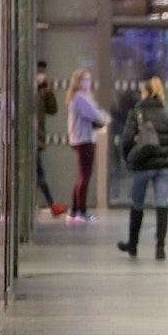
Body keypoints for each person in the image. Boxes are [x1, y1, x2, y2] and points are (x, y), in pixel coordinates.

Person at [116, 77, 168, 260]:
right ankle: (160, 248)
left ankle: (133, 245)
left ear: (147, 92)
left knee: (137, 203)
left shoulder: (137, 113)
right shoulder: (167, 115)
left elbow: (127, 139)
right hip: (163, 166)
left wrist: (128, 158)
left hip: (142, 165)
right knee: (161, 203)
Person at [66, 68, 110, 223]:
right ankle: (81, 210)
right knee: (85, 174)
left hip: (81, 139)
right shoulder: (79, 97)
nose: (88, 82)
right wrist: (105, 119)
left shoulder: (78, 97)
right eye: (85, 79)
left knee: (81, 174)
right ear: (78, 81)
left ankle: (75, 209)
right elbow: (94, 114)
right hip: (84, 139)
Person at [35, 61, 66, 217]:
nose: (41, 74)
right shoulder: (29, 91)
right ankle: (51, 203)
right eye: (39, 70)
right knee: (39, 175)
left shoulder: (42, 90)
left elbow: (53, 110)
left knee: (38, 174)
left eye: (42, 71)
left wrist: (49, 94)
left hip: (38, 140)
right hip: (32, 141)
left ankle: (51, 203)